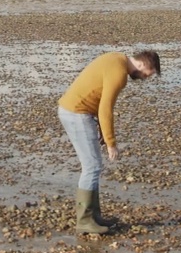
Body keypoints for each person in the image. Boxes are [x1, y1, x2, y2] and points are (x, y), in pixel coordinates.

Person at [58, 49, 161, 234]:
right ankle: (84, 220)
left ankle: (95, 216)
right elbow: (106, 109)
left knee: (94, 166)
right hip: (76, 113)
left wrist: (99, 128)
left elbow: (97, 96)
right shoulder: (119, 73)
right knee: (92, 166)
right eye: (148, 74)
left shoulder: (117, 58)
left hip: (78, 111)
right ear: (142, 64)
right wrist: (111, 142)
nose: (146, 78)